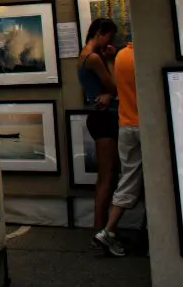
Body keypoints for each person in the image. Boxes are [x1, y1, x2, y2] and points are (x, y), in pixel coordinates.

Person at [95, 42, 140, 257]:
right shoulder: (144, 56)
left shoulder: (121, 57)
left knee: (128, 178)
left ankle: (109, 230)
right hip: (145, 126)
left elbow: (115, 86)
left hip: (126, 126)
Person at [78, 18, 120, 237]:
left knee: (108, 175)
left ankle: (101, 228)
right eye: (109, 37)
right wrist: (111, 60)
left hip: (99, 118)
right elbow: (114, 84)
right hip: (104, 119)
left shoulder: (85, 56)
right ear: (100, 33)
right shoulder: (93, 58)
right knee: (106, 177)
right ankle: (99, 230)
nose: (109, 42)